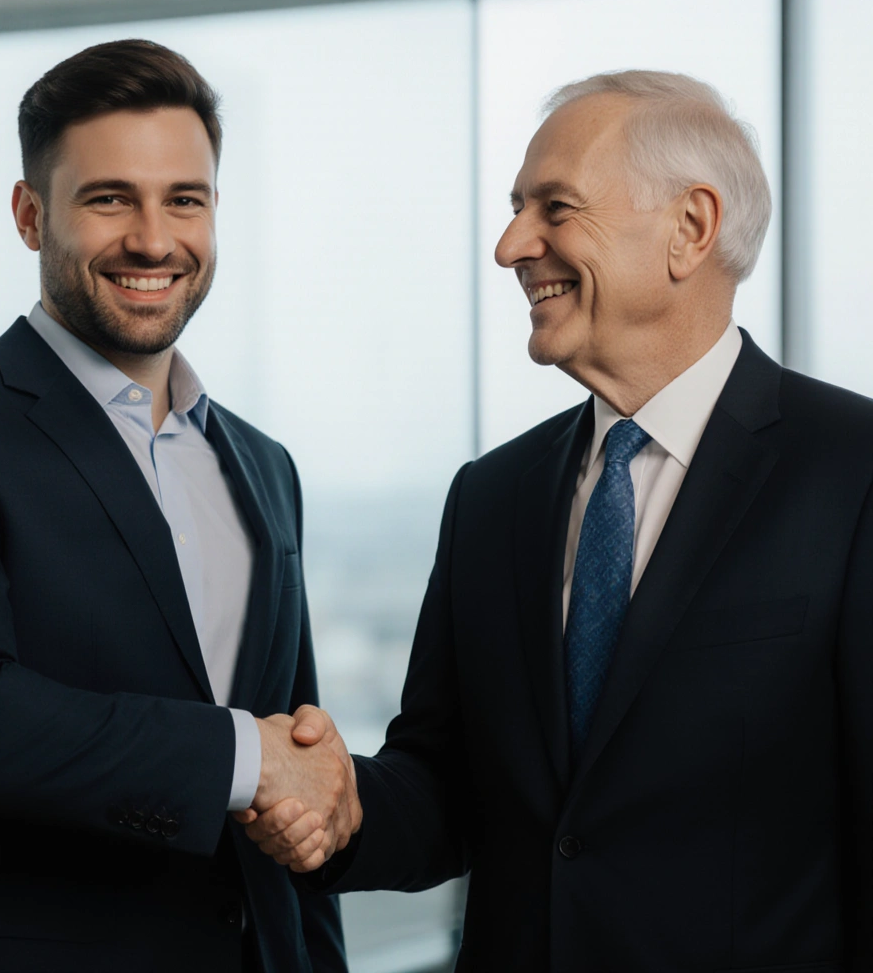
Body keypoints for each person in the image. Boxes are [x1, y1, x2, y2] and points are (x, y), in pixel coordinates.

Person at [242, 71, 873, 971]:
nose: (510, 247)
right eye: (515, 209)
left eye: (554, 208)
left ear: (691, 229)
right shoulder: (492, 496)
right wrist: (341, 806)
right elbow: (445, 789)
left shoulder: (851, 471)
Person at [0, 39, 359, 973]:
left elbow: (296, 782)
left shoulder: (263, 466)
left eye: (185, 200)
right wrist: (242, 755)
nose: (154, 240)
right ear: (29, 214)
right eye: (110, 197)